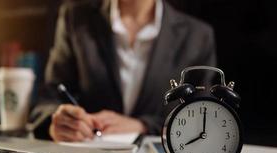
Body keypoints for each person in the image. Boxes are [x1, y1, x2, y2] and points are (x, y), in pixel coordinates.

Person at [31, 0, 216, 142]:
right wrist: (57, 124)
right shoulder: (75, 19)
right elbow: (49, 98)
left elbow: (202, 116)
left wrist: (142, 126)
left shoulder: (198, 36)